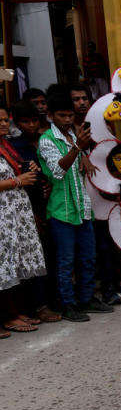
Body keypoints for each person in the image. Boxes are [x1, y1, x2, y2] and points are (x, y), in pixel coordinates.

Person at [38, 92, 112, 322]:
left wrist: (83, 153)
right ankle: (68, 304)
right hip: (61, 209)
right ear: (50, 116)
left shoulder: (73, 135)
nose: (68, 120)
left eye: (70, 115)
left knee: (88, 257)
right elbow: (57, 172)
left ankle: (86, 298)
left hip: (81, 206)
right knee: (66, 261)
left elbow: (82, 161)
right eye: (62, 115)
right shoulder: (47, 140)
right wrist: (78, 149)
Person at [9, 102, 60, 322]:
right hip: (27, 207)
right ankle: (38, 305)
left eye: (34, 121)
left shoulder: (46, 141)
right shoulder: (15, 147)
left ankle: (55, 300)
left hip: (52, 203)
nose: (30, 125)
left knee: (52, 255)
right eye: (25, 122)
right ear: (17, 123)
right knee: (35, 259)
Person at [0, 106, 47, 337]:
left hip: (13, 214)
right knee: (3, 265)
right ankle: (7, 317)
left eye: (5, 120)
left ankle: (13, 313)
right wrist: (17, 181)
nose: (3, 124)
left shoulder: (6, 145)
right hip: (3, 213)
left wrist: (27, 169)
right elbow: (12, 179)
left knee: (12, 263)